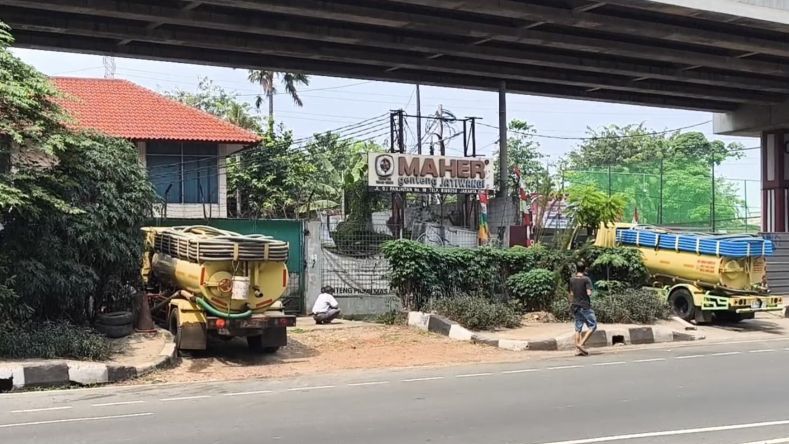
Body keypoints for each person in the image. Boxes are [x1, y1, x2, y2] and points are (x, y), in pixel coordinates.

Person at [569, 263, 597, 356]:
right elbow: (589, 293)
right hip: (585, 306)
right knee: (593, 326)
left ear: (576, 269)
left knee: (578, 328)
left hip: (575, 306)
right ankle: (581, 344)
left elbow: (571, 294)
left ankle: (578, 350)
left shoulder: (572, 280)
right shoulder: (586, 279)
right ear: (584, 269)